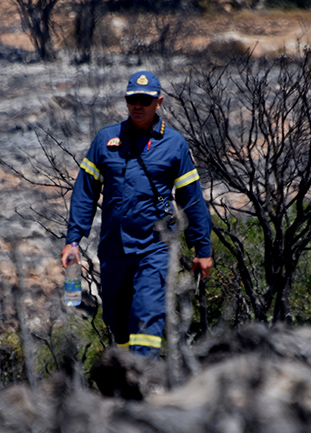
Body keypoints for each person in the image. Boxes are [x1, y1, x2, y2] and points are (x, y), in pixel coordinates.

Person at [61, 71, 213, 358]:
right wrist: (73, 240)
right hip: (113, 250)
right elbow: (85, 193)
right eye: (133, 100)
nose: (138, 105)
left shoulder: (174, 144)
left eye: (145, 99)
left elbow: (191, 201)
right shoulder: (106, 140)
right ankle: (124, 381)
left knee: (146, 316)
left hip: (154, 249)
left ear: (159, 102)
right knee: (118, 326)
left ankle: (141, 381)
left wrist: (202, 249)